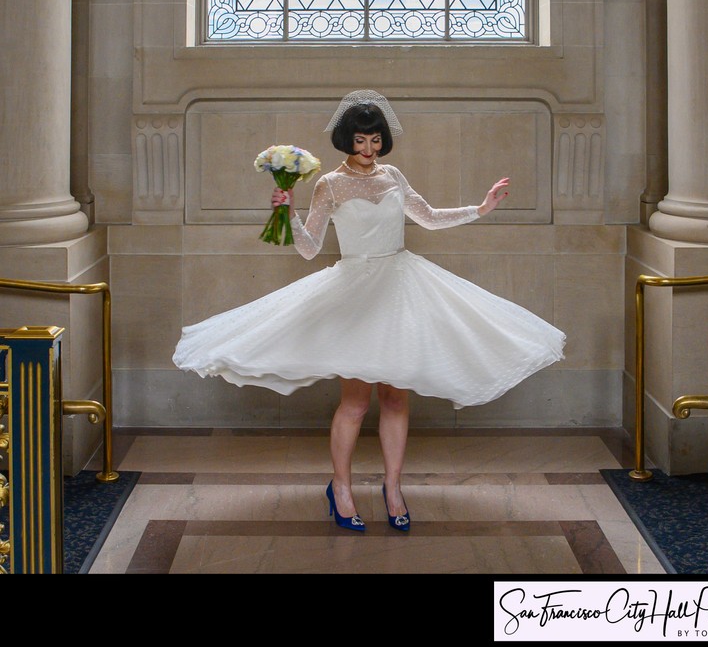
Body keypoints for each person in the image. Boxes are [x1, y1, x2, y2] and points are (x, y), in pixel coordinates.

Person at [173, 90, 566, 533]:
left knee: (396, 396)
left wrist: (481, 208)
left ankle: (393, 487)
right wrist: (291, 214)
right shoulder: (330, 184)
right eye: (361, 141)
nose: (369, 150)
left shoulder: (394, 175)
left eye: (375, 140)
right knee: (356, 403)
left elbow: (430, 217)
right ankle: (340, 488)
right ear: (347, 140)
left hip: (401, 288)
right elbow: (308, 250)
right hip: (356, 292)